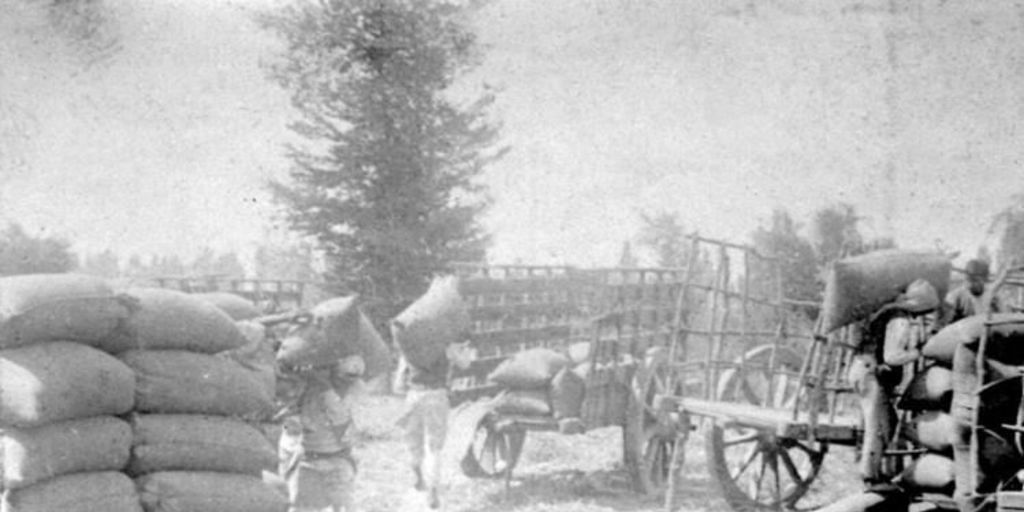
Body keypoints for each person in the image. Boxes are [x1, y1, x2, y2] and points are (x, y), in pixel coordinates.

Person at [277, 354, 365, 512]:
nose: (344, 382)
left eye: (350, 378)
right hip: (308, 459)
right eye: (341, 376)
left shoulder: (355, 390)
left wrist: (324, 387)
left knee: (344, 506)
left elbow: (341, 418)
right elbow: (289, 420)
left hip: (339, 460)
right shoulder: (311, 387)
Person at [394, 341, 474, 509]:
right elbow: (464, 364)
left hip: (414, 395)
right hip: (437, 395)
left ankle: (417, 473)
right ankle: (432, 488)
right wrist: (465, 350)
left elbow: (398, 385)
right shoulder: (445, 343)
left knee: (413, 442)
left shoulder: (409, 342)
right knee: (434, 447)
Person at [941, 258, 1001, 326]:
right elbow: (943, 321)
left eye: (975, 280)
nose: (970, 285)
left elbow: (1002, 319)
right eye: (968, 280)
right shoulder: (957, 296)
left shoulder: (993, 297)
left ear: (984, 280)